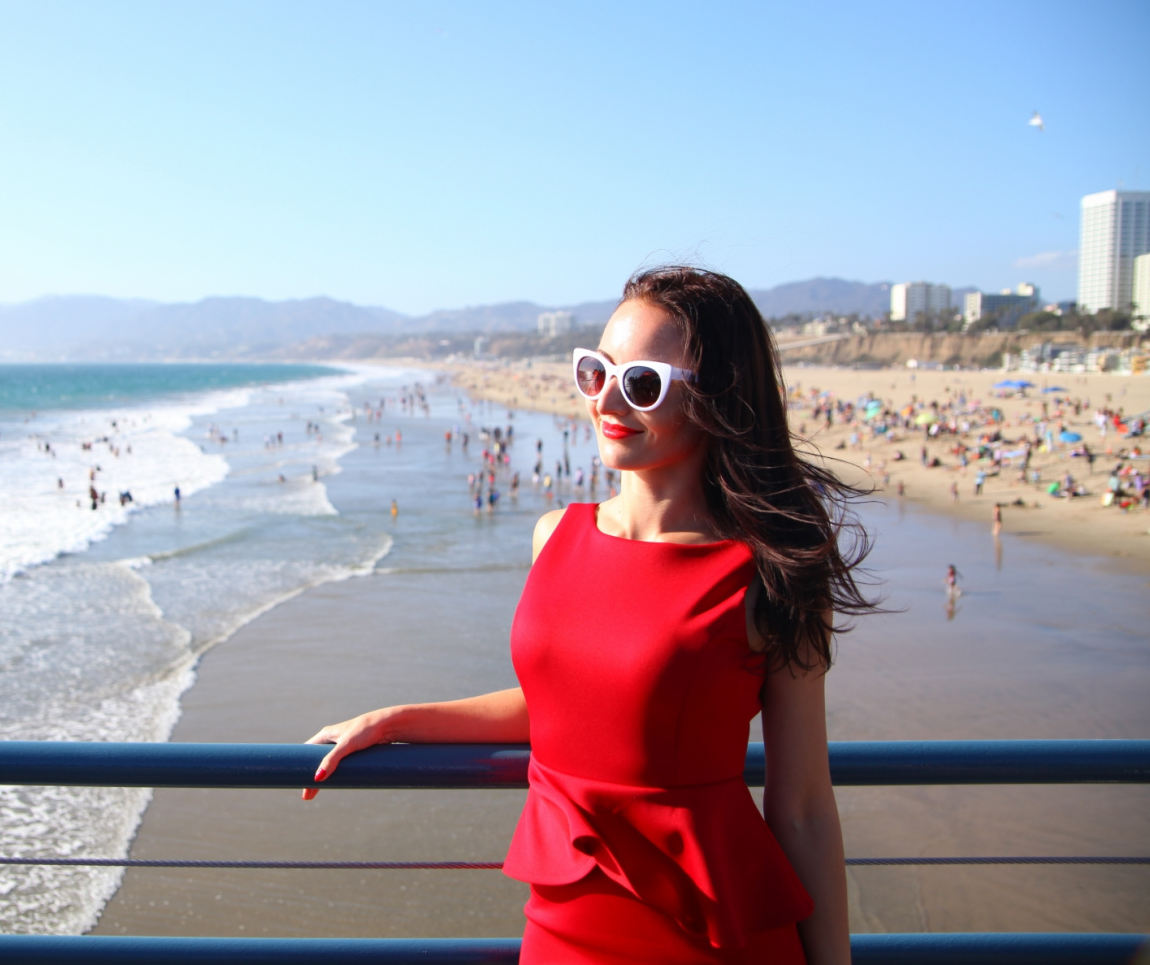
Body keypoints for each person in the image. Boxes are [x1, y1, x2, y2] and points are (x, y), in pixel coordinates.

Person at [305, 268, 866, 965]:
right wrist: (394, 722)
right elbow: (567, 705)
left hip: (712, 936)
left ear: (717, 397)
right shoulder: (554, 537)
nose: (606, 399)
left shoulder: (770, 571)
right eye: (596, 371)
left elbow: (803, 806)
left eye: (642, 384)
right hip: (561, 927)